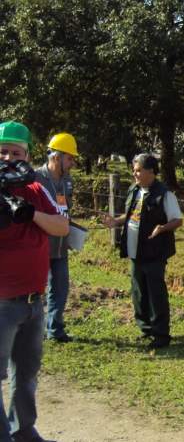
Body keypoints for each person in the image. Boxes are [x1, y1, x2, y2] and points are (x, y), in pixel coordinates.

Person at [0, 121, 69, 442]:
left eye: (16, 152)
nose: (8, 157)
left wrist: (30, 213)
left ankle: (24, 430)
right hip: (2, 301)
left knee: (25, 375)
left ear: (27, 154)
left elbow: (61, 226)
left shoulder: (35, 189)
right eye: (2, 151)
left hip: (32, 301)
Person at [100, 153, 182, 349]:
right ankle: (146, 329)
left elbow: (177, 220)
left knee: (156, 293)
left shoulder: (165, 194)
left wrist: (162, 228)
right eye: (134, 170)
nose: (135, 174)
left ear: (151, 172)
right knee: (139, 292)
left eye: (138, 170)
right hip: (135, 250)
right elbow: (131, 216)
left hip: (154, 252)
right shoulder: (134, 190)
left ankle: (161, 335)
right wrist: (116, 221)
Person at [34, 133, 79, 343]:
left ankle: (55, 328)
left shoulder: (67, 181)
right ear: (56, 157)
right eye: (69, 158)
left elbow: (66, 209)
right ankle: (31, 329)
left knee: (60, 287)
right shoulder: (35, 179)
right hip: (39, 245)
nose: (72, 163)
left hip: (60, 246)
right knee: (33, 290)